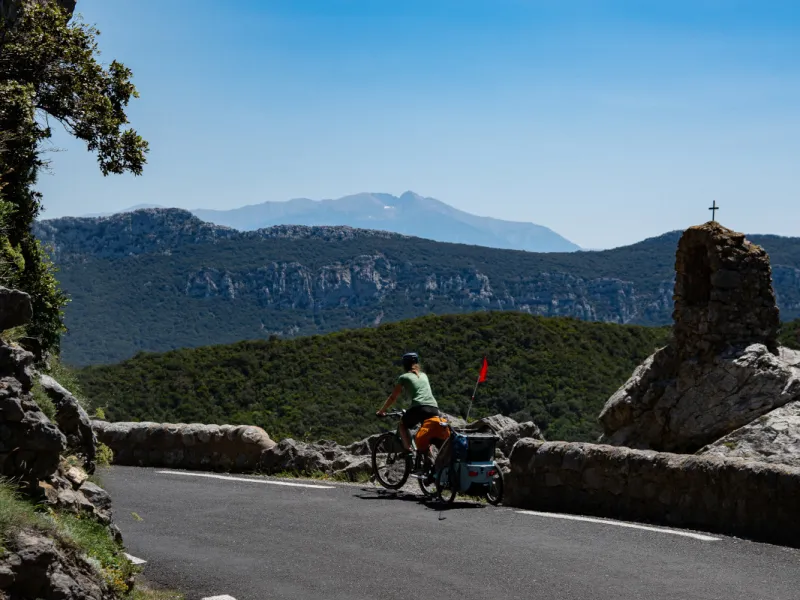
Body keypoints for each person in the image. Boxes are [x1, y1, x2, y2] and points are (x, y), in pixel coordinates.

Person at [376, 352, 440, 458]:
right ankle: (428, 460)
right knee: (426, 433)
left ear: (404, 365)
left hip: (419, 407)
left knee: (402, 424)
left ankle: (408, 450)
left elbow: (393, 397)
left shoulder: (404, 377)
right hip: (434, 408)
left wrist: (382, 411)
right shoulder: (424, 375)